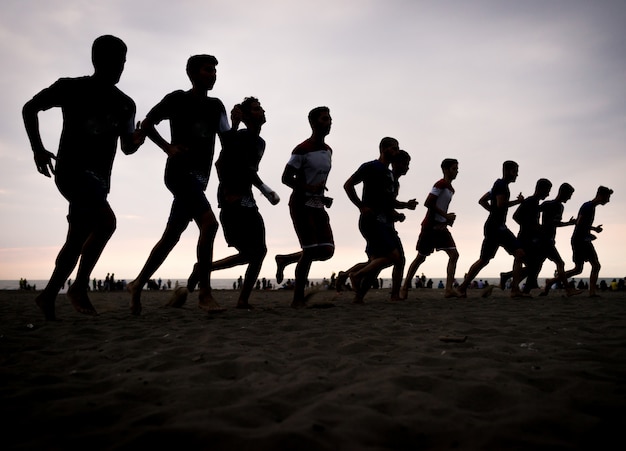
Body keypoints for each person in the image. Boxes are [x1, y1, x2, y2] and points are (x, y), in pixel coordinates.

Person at [22, 35, 145, 320]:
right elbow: (30, 108)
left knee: (90, 232)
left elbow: (126, 146)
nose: (120, 66)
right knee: (98, 225)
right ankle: (75, 287)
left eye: (123, 61)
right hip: (72, 172)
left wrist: (138, 139)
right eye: (114, 61)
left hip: (100, 181)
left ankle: (50, 294)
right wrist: (38, 149)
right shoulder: (71, 87)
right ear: (97, 60)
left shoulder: (126, 104)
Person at [127, 54, 230, 315]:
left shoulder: (217, 105)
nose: (213, 74)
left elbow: (227, 141)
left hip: (200, 179)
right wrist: (167, 148)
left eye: (215, 70)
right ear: (193, 73)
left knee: (171, 236)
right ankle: (205, 293)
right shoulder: (177, 99)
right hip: (179, 173)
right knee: (210, 224)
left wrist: (238, 121)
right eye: (208, 70)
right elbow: (148, 123)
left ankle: (138, 284)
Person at [171, 97, 280, 309]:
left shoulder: (260, 143)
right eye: (257, 109)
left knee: (258, 252)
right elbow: (220, 163)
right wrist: (229, 192)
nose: (263, 111)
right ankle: (204, 269)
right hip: (233, 203)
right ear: (247, 115)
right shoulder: (238, 137)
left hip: (249, 201)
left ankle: (239, 297)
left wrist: (265, 191)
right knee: (251, 252)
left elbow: (250, 171)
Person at [337, 148, 416, 302]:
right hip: (376, 223)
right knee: (392, 258)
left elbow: (389, 203)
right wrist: (396, 213)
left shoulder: (394, 181)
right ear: (397, 163)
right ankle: (354, 275)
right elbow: (384, 203)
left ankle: (358, 295)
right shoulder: (383, 174)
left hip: (384, 224)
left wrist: (403, 207)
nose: (408, 168)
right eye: (406, 164)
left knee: (378, 262)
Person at [274, 107, 334, 308]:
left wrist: (323, 197)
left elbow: (319, 180)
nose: (330, 122)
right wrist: (309, 188)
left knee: (327, 250)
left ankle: (285, 259)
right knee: (309, 252)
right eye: (325, 119)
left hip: (317, 203)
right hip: (300, 203)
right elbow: (285, 178)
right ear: (314, 123)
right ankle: (297, 299)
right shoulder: (302, 149)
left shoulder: (328, 151)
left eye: (330, 118)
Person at [456, 161, 526, 298]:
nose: (517, 174)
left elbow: (482, 200)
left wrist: (492, 212)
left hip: (494, 226)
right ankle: (515, 290)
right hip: (497, 228)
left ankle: (462, 287)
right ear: (507, 171)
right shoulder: (501, 185)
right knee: (519, 253)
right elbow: (500, 204)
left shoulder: (498, 185)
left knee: (484, 260)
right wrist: (518, 202)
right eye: (515, 171)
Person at [400, 158, 460, 299]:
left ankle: (448, 289)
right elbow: (428, 203)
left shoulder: (451, 189)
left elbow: (441, 206)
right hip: (430, 227)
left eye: (457, 169)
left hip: (441, 227)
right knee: (421, 257)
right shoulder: (440, 184)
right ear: (446, 170)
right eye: (454, 169)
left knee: (454, 255)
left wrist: (446, 219)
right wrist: (445, 215)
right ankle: (404, 287)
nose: (457, 172)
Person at [558, 186, 613, 297]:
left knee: (585, 268)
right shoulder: (588, 206)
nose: (608, 200)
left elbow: (583, 224)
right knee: (587, 267)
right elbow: (579, 223)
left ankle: (551, 281)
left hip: (583, 239)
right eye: (608, 197)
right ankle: (591, 292)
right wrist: (589, 233)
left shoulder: (591, 207)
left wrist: (594, 229)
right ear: (601, 196)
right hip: (580, 240)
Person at [535, 183, 582, 296]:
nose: (569, 197)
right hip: (545, 240)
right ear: (563, 193)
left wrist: (568, 223)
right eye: (569, 195)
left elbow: (556, 223)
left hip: (548, 240)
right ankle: (568, 290)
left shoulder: (560, 207)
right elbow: (539, 215)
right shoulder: (549, 204)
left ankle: (546, 288)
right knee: (560, 263)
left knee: (534, 266)